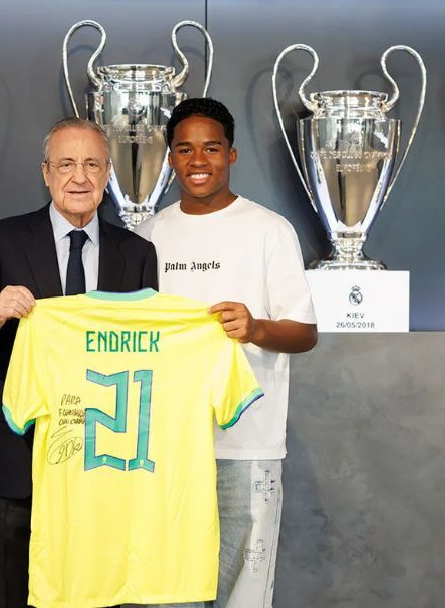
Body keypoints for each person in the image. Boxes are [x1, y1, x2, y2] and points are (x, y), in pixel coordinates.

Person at [0, 117, 158, 608]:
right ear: (45, 172)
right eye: (66, 164)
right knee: (17, 589)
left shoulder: (138, 253)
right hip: (21, 454)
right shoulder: (1, 240)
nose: (79, 177)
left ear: (107, 174)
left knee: (101, 591)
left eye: (91, 164)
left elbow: (149, 356)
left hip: (107, 456)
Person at [136, 97, 318, 607]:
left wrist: (256, 327)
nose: (199, 160)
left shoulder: (270, 230)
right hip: (164, 447)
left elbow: (304, 332)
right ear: (170, 157)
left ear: (231, 156)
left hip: (248, 445)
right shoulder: (147, 236)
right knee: (164, 591)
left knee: (243, 591)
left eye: (211, 148)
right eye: (185, 149)